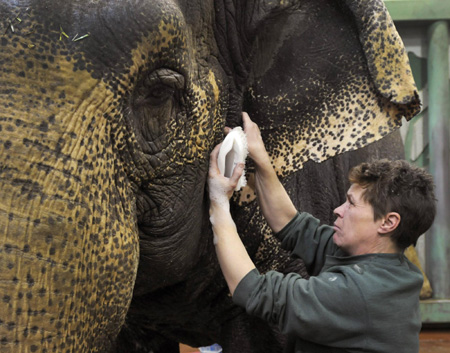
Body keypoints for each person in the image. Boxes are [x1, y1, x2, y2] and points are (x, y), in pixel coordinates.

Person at [207, 112, 436, 353]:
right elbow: (291, 225)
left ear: (388, 223)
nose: (338, 210)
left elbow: (253, 290)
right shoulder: (375, 260)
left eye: (351, 204)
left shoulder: (360, 293)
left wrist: (218, 201)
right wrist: (260, 157)